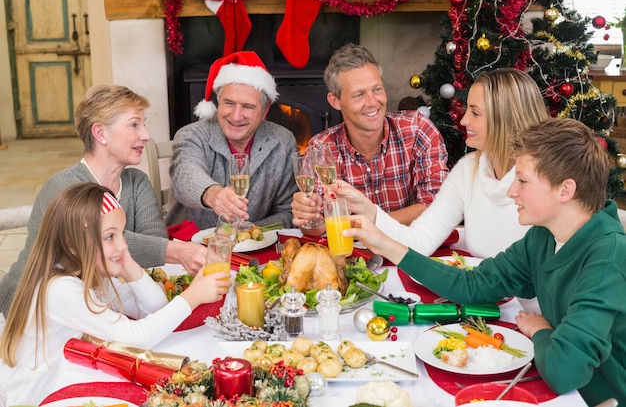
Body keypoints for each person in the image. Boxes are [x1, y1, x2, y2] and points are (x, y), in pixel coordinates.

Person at [346, 118, 626, 406]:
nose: (511, 191)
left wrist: (540, 330)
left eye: (523, 180)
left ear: (565, 190)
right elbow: (473, 285)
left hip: (600, 398)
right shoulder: (543, 237)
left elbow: (563, 372)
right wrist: (386, 245)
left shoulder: (606, 258)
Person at [0, 183, 231, 405]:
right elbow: (135, 337)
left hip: (69, 374)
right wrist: (193, 296)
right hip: (38, 394)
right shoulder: (59, 289)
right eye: (110, 236)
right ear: (73, 245)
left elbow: (155, 309)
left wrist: (129, 266)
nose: (122, 245)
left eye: (122, 234)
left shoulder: (90, 273)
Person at [0, 84, 208, 317]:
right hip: (34, 304)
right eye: (134, 125)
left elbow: (153, 244)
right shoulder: (65, 187)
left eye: (144, 124)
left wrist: (161, 250)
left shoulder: (136, 181)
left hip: (103, 297)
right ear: (100, 133)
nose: (146, 136)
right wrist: (177, 250)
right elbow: (95, 240)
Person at [329, 68, 550, 258]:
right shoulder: (467, 170)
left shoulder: (546, 178)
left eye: (475, 113)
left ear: (505, 117)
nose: (463, 120)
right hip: (486, 299)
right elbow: (419, 241)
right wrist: (367, 209)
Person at [291, 43, 449, 234]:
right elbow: (317, 228)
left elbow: (436, 207)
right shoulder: (321, 147)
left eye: (377, 90)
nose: (373, 102)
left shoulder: (417, 129)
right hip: (352, 254)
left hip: (409, 247)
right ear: (335, 101)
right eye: (359, 95)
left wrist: (368, 225)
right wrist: (308, 217)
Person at [166, 51, 299, 229]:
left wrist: (250, 233)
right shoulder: (191, 135)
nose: (236, 116)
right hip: (191, 245)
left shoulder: (283, 141)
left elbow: (287, 211)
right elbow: (185, 177)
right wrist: (213, 195)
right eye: (229, 103)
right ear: (218, 102)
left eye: (247, 106)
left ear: (265, 110)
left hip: (255, 247)